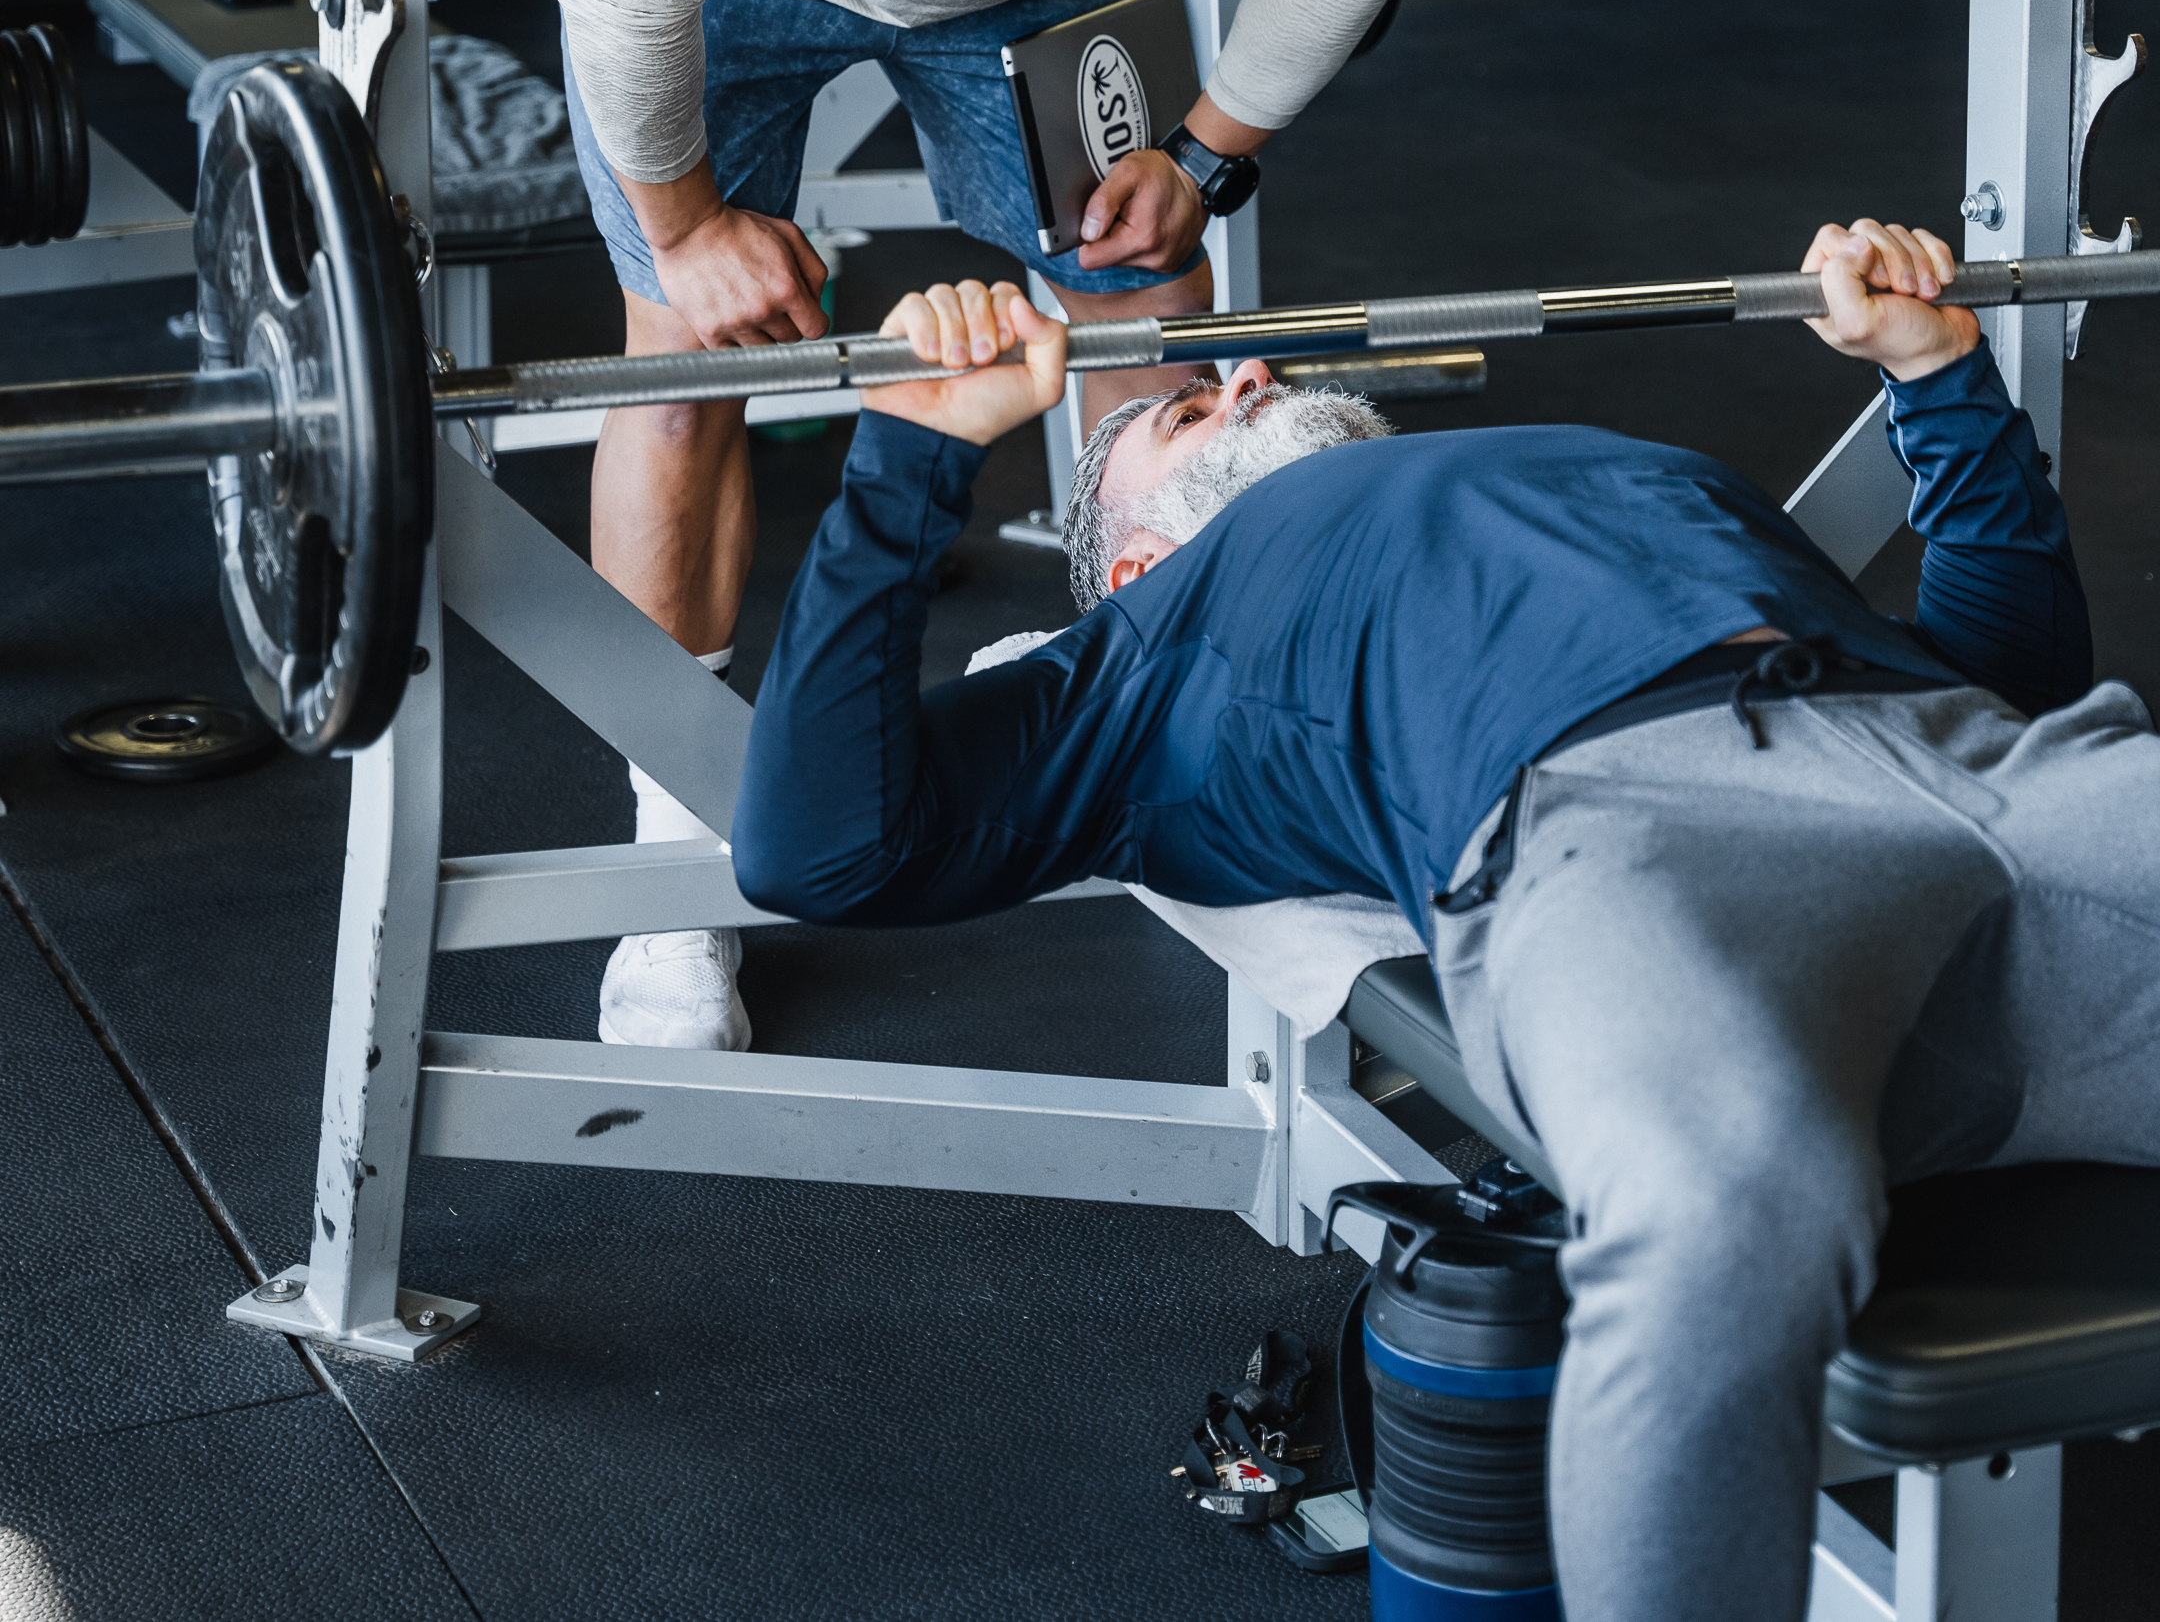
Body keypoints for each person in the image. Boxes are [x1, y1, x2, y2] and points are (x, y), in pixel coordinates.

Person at [731, 220, 2157, 1622]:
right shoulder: (1130, 674)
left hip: (1962, 766)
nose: (1245, 375)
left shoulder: (1575, 470)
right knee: (1715, 1212)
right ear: (1129, 567)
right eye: (1182, 406)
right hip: (1627, 850)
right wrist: (914, 454)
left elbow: (2007, 669)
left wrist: (1939, 373)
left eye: (1232, 373)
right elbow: (814, 848)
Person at [552, 0, 1444, 1052]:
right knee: (685, 365)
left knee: (1136, 275)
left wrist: (1205, 148)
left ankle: (1154, 718)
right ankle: (675, 865)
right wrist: (684, 229)